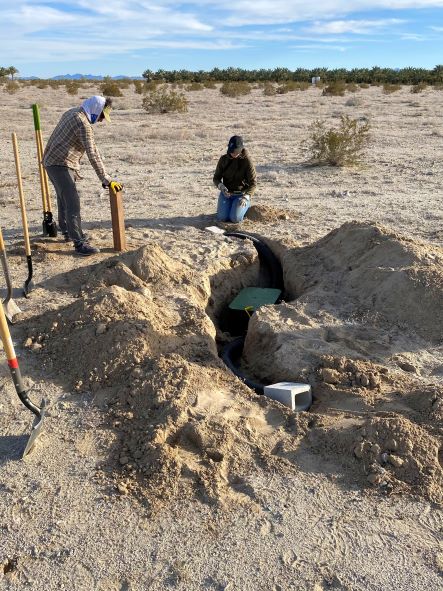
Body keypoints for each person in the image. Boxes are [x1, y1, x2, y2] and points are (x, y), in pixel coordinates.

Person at [43, 95, 123, 256]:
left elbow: (91, 148)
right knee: (73, 203)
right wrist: (106, 179)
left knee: (63, 199)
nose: (101, 120)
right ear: (96, 110)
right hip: (60, 163)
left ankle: (67, 232)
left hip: (51, 160)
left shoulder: (73, 112)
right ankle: (79, 243)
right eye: (101, 116)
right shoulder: (83, 124)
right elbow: (93, 153)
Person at [213, 135, 257, 223]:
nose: (233, 153)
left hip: (241, 196)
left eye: (236, 152)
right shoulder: (223, 159)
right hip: (226, 194)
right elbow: (216, 178)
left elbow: (253, 183)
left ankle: (246, 206)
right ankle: (231, 208)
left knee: (235, 218)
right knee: (222, 218)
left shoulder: (247, 161)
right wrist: (221, 186)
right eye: (231, 151)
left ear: (241, 149)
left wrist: (246, 197)